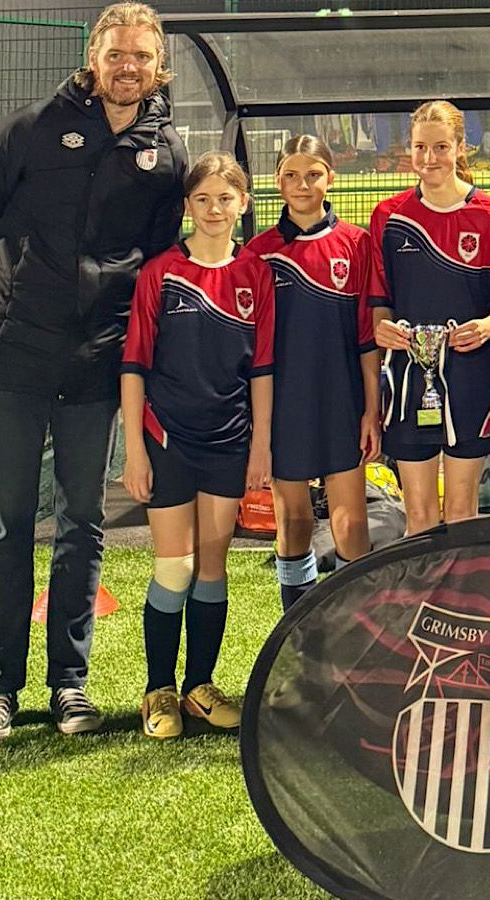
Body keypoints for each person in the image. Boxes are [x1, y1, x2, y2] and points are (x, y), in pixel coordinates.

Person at [0, 1, 187, 743]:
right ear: (95, 57)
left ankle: (69, 686)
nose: (128, 67)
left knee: (82, 526)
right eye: (116, 54)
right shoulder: (30, 128)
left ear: (159, 68)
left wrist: (112, 331)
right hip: (15, 354)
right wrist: (21, 289)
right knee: (7, 526)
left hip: (97, 364)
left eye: (141, 57)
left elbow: (154, 263)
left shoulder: (167, 157)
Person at [121, 151, 273, 739]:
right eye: (203, 199)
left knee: (213, 569)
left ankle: (199, 688)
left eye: (225, 198)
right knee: (175, 567)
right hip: (167, 441)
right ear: (187, 206)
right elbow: (133, 364)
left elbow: (262, 368)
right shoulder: (162, 272)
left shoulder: (255, 274)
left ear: (243, 205)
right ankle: (157, 690)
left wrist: (260, 445)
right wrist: (135, 447)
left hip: (229, 442)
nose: (214, 209)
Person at [246, 136, 381, 610]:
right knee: (295, 521)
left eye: (313, 174)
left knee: (351, 524)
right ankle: (298, 630)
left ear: (331, 178)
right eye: (290, 175)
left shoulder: (357, 244)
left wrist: (372, 409)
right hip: (287, 403)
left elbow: (368, 337)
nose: (302, 184)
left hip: (342, 399)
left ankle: (354, 629)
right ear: (277, 181)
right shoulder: (258, 254)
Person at [369, 100, 490, 536]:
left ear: (460, 147)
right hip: (409, 377)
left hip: (472, 375)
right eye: (420, 147)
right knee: (419, 516)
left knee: (463, 511)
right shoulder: (388, 216)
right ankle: (423, 604)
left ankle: (462, 603)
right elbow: (380, 300)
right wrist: (385, 328)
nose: (429, 158)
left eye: (440, 147)